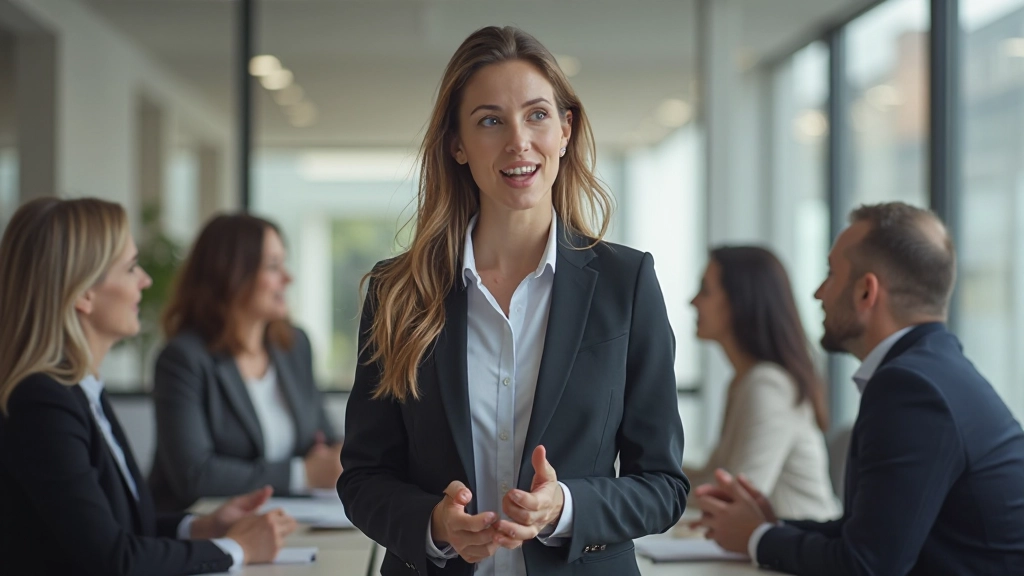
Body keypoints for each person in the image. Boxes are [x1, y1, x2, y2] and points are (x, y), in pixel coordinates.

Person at [337, 25, 688, 576]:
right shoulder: (398, 292)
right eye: (490, 120)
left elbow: (663, 485)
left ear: (566, 130)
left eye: (537, 115)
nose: (518, 141)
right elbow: (363, 477)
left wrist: (565, 507)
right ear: (456, 144)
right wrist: (434, 524)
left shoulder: (628, 282)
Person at [693, 202, 1024, 575]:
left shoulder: (911, 388)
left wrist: (759, 538)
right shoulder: (933, 371)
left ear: (866, 292)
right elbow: (869, 536)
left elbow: (867, 565)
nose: (818, 293)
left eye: (831, 274)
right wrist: (770, 527)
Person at [0, 197, 297, 576]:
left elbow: (119, 528)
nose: (145, 280)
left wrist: (202, 527)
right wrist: (237, 548)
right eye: (130, 268)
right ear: (84, 293)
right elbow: (113, 558)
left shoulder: (80, 390)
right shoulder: (43, 404)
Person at [149, 213, 342, 511]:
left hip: (292, 519)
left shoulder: (294, 345)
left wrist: (339, 456)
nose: (288, 278)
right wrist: (303, 474)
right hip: (207, 526)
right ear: (231, 275)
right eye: (273, 266)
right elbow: (195, 474)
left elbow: (323, 435)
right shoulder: (183, 359)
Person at [686, 246, 838, 520]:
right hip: (769, 542)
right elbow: (715, 475)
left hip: (797, 543)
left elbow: (737, 498)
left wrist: (651, 492)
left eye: (705, 291)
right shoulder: (745, 382)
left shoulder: (768, 386)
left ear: (739, 302)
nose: (692, 302)